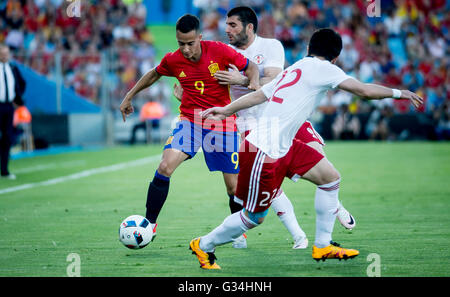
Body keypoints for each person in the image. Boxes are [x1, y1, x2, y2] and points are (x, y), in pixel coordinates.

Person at [189, 28, 423, 269]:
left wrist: (226, 110)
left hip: (284, 145)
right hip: (263, 148)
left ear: (309, 49)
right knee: (254, 218)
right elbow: (363, 90)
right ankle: (204, 244)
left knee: (330, 178)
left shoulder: (296, 68)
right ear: (335, 58)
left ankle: (323, 245)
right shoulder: (325, 69)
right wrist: (399, 93)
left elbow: (260, 95)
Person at [175, 7, 356, 250]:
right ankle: (299, 236)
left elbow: (274, 80)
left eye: (232, 25)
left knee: (319, 156)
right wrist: (186, 97)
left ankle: (335, 206)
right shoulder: (222, 52)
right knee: (271, 185)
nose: (226, 30)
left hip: (282, 114)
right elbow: (206, 89)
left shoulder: (271, 46)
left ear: (249, 27)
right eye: (226, 25)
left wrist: (242, 80)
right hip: (250, 125)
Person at [119, 14, 260, 238]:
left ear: (200, 38)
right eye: (181, 44)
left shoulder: (220, 51)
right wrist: (129, 96)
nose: (185, 49)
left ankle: (237, 231)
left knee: (233, 187)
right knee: (165, 166)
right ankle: (149, 225)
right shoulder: (173, 59)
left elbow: (251, 67)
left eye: (190, 43)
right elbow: (154, 74)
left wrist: (248, 81)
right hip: (190, 123)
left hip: (221, 123)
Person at [0, 44, 26, 179]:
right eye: (2, 53)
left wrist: (17, 99)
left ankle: (4, 170)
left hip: (9, 107)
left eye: (6, 53)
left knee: (7, 138)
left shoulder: (13, 68)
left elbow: (22, 83)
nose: (5, 56)